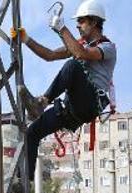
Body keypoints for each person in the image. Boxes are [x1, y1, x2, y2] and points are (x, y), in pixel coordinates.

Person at [12, 0, 116, 177]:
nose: (78, 25)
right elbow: (50, 55)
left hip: (90, 103)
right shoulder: (80, 45)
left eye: (82, 21)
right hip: (72, 109)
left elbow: (80, 54)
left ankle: (42, 102)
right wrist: (26, 39)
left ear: (94, 22)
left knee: (73, 65)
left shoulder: (107, 47)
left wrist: (62, 29)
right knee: (33, 132)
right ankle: (23, 181)